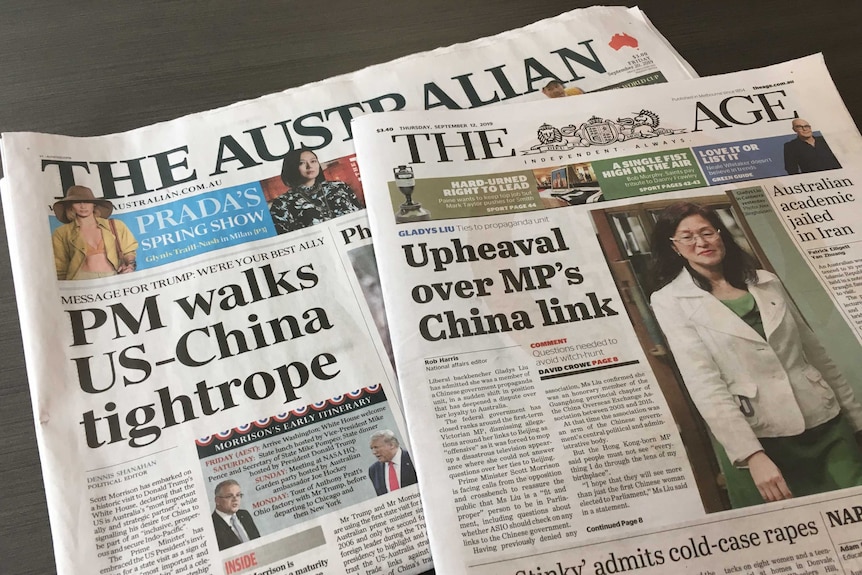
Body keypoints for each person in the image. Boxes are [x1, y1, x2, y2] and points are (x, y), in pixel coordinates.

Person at [649, 202, 862, 507]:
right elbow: (704, 383)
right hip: (760, 435)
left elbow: (816, 355)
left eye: (707, 232)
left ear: (720, 234)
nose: (701, 242)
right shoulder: (670, 300)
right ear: (674, 247)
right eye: (687, 237)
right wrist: (752, 454)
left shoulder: (766, 282)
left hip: (825, 422)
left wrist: (857, 420)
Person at [51, 185, 138, 280]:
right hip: (80, 281)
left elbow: (129, 251)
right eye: (77, 202)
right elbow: (60, 267)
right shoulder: (61, 233)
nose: (83, 206)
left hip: (113, 277)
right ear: (70, 205)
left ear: (94, 204)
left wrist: (130, 266)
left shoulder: (115, 225)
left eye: (87, 202)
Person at [268, 148, 362, 234]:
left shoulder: (339, 186)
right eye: (301, 163)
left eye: (313, 161)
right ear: (292, 167)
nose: (309, 166)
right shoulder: (282, 203)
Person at [211, 480, 260, 550]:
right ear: (217, 500)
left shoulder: (245, 515)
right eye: (229, 496)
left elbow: (258, 541)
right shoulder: (212, 525)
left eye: (238, 495)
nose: (235, 499)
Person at [368, 430, 417, 496]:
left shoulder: (413, 458)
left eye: (376, 447)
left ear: (391, 445)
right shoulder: (374, 470)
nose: (374, 452)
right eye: (372, 448)